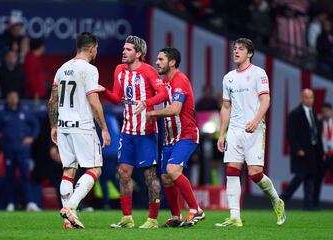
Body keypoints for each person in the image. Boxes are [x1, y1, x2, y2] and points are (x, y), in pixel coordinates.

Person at [215, 38, 285, 227]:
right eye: (234, 49)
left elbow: (265, 100)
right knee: (231, 170)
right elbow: (226, 106)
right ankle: (235, 217)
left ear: (250, 53)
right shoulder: (228, 77)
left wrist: (255, 120)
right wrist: (222, 133)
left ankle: (276, 201)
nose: (236, 51)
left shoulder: (258, 73)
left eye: (241, 49)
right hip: (235, 130)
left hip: (254, 128)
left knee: (255, 174)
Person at [99, 35, 167, 228]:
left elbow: (163, 94)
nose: (124, 51)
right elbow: (116, 98)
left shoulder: (149, 72)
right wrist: (103, 91)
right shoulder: (119, 70)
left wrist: (146, 103)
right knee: (123, 173)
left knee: (149, 176)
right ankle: (127, 218)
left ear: (138, 53)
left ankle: (153, 219)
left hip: (146, 132)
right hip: (127, 132)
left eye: (128, 49)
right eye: (124, 48)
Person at [48, 32, 110, 229]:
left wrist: (53, 126)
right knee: (95, 169)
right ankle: (71, 208)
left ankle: (68, 221)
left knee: (69, 170)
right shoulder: (90, 70)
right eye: (96, 49)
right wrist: (105, 129)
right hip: (82, 127)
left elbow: (52, 101)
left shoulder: (62, 68)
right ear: (92, 48)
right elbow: (94, 101)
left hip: (64, 126)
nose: (96, 52)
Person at [145, 47, 205, 227]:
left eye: (161, 59)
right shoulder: (165, 82)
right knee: (165, 178)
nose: (157, 62)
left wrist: (152, 114)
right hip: (170, 139)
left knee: (172, 170)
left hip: (186, 135)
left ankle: (196, 210)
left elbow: (176, 109)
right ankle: (176, 217)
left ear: (172, 62)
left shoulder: (180, 80)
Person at [0, 91, 40, 211]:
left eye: (14, 97)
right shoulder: (2, 114)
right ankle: (10, 203)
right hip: (9, 150)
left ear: (18, 99)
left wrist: (32, 137)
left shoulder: (25, 112)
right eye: (10, 97)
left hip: (23, 151)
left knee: (26, 177)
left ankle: (30, 202)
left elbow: (36, 125)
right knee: (9, 177)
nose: (12, 100)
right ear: (7, 99)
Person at [280, 89, 324, 210]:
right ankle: (282, 199)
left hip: (312, 150)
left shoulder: (313, 113)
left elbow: (316, 134)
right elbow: (290, 133)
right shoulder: (295, 113)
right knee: (300, 176)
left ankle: (308, 205)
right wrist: (297, 148)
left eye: (311, 97)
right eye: (306, 97)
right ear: (302, 98)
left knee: (309, 178)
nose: (309, 100)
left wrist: (321, 152)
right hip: (301, 151)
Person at [315, 102, 333, 208]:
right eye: (324, 111)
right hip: (323, 156)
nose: (325, 113)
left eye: (327, 110)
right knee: (317, 180)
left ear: (331, 111)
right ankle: (314, 204)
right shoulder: (319, 123)